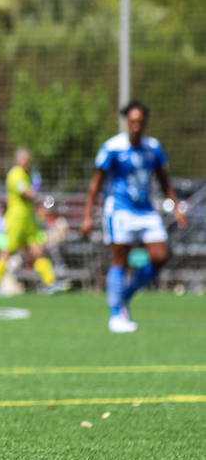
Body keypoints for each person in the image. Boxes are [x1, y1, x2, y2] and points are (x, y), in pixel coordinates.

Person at [80, 101, 188, 333]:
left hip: (146, 210)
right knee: (120, 261)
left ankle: (124, 296)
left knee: (160, 256)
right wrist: (87, 216)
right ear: (126, 123)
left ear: (145, 123)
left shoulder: (153, 148)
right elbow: (95, 185)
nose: (136, 126)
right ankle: (115, 314)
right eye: (132, 122)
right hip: (119, 210)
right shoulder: (112, 148)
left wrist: (176, 206)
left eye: (140, 122)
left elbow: (163, 179)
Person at [0, 148, 59, 293]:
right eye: (25, 160)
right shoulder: (15, 174)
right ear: (18, 160)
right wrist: (37, 192)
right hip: (16, 220)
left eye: (29, 160)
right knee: (7, 251)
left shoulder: (25, 175)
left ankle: (49, 283)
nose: (27, 163)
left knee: (38, 251)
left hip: (28, 221)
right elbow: (26, 193)